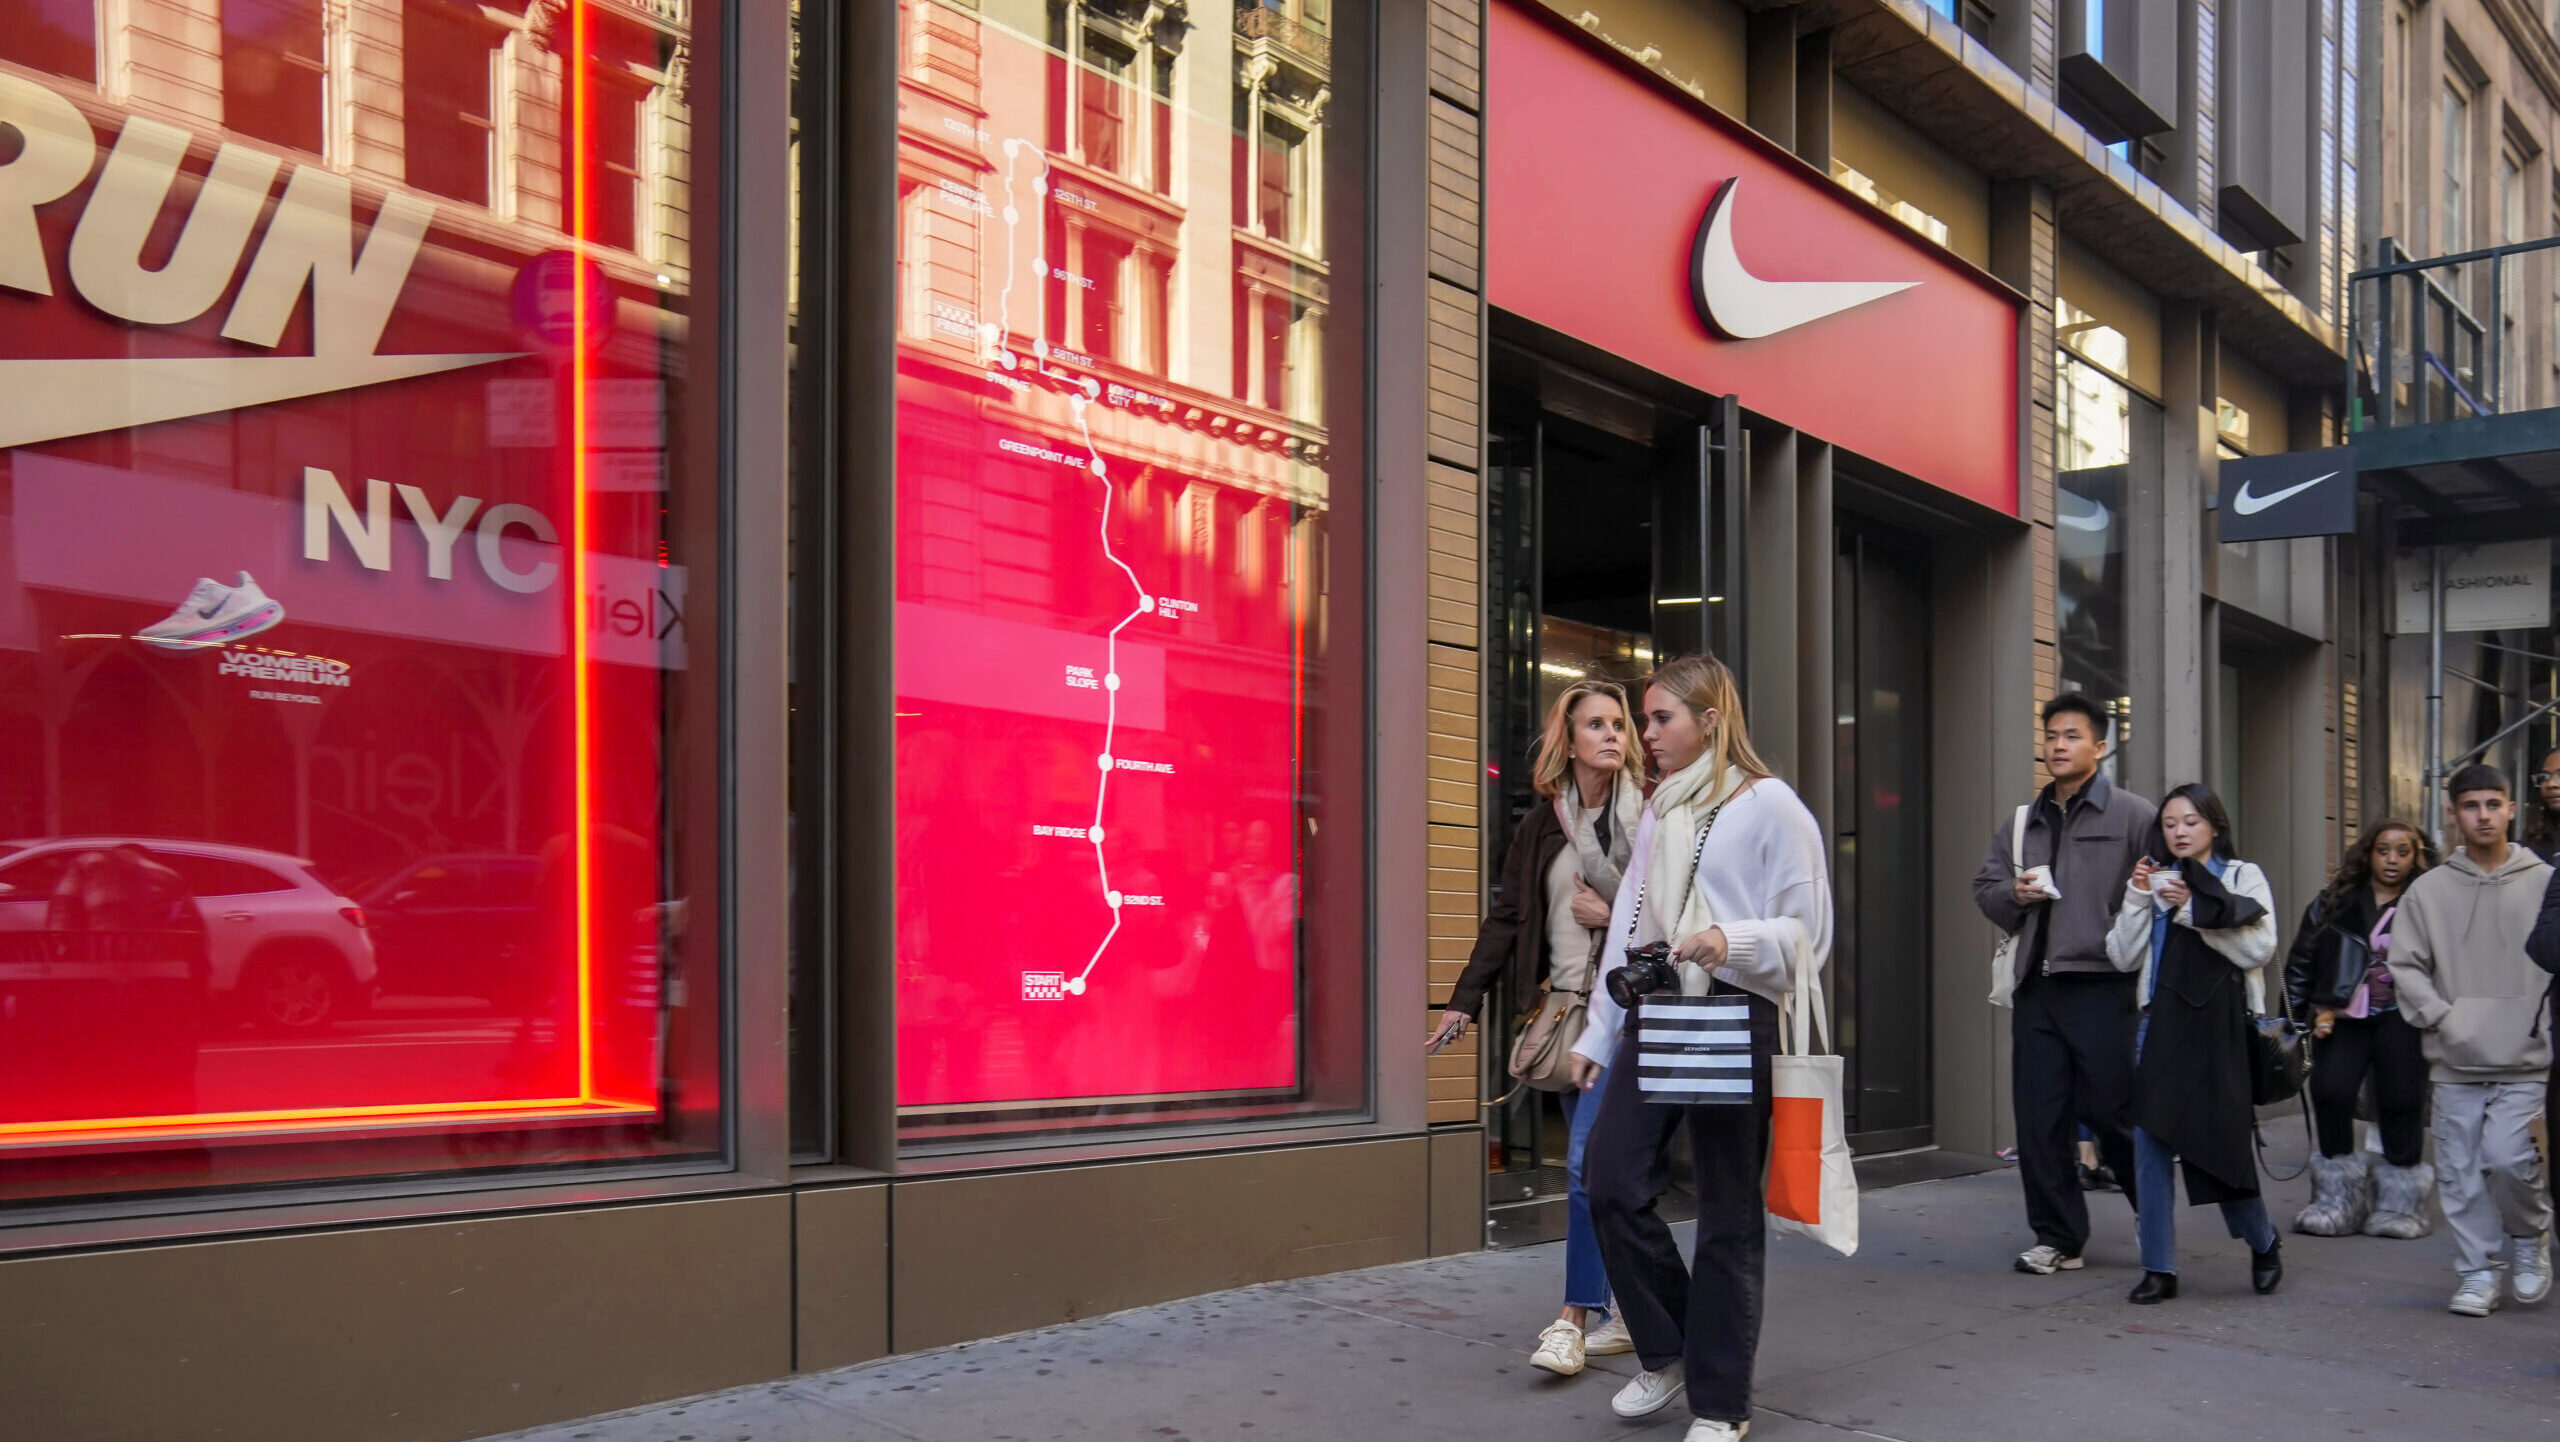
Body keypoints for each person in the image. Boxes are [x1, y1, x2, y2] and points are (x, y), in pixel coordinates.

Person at [1568, 654, 1831, 1442]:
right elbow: (1628, 928)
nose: (1647, 734)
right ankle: (1672, 1347)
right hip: (1656, 1010)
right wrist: (1598, 1032)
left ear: (1711, 721)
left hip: (1732, 1008)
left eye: (1661, 719)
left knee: (1726, 1212)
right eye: (1645, 719)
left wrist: (1731, 939)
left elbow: (1808, 936)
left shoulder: (1773, 807)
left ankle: (1721, 1402)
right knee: (1610, 1179)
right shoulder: (1663, 810)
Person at [1432, 678, 1647, 1378]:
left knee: (1586, 1163)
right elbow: (1507, 919)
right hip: (1563, 1019)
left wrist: (1608, 917)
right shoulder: (1541, 826)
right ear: (1570, 740)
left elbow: (1674, 918)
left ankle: (1572, 1320)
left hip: (1631, 1015)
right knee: (1601, 1172)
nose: (1613, 734)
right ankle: (1626, 1312)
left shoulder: (1652, 818)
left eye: (1621, 723)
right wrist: (1464, 1002)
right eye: (1597, 724)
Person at [1971, 694, 2157, 1276]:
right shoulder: (2024, 821)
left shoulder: (2134, 816)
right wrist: (2014, 896)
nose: (2057, 745)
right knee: (2039, 1116)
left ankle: (2154, 1221)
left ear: (2099, 748)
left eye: (2072, 736)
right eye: (2051, 735)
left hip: (2104, 985)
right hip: (2037, 988)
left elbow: (2162, 889)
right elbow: (1986, 887)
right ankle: (2058, 1237)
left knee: (2112, 1111)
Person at [2105, 784, 2284, 1303]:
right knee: (2151, 1146)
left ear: (2213, 825)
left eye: (2189, 821)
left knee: (2219, 1148)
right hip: (2155, 1028)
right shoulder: (2156, 882)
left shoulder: (2241, 876)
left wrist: (2190, 912)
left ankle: (2263, 1239)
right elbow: (2120, 956)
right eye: (2169, 824)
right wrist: (2140, 898)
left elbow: (2260, 946)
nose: (2179, 832)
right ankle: (2159, 1267)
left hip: (2219, 1033)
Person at [2393, 764, 2555, 1317]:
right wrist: (2443, 1018)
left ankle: (2530, 1240)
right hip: (2455, 1056)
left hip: (2528, 1055)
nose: (2483, 815)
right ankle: (2479, 1270)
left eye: (2493, 804)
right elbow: (2405, 965)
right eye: (2471, 806)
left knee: (2512, 1162)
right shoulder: (2427, 891)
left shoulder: (2545, 880)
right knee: (2460, 1173)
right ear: (2453, 814)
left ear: (2511, 809)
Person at [2285, 819, 2440, 1238]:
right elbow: (2301, 960)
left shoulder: (2427, 902)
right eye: (2384, 850)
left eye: (2403, 851)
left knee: (2402, 1100)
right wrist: (2296, 1019)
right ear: (2368, 854)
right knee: (2331, 1091)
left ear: (2415, 857)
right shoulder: (2334, 902)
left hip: (2403, 1016)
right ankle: (2337, 1199)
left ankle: (2400, 1204)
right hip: (2341, 1016)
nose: (2393, 859)